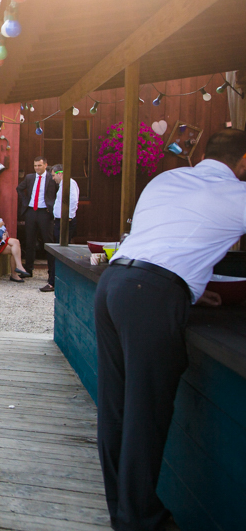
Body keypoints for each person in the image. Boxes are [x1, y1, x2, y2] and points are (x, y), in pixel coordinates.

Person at [94, 129, 246, 531]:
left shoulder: (166, 179)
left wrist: (193, 288)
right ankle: (141, 521)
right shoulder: (237, 195)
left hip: (114, 284)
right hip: (151, 295)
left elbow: (166, 239)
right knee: (145, 414)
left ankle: (124, 515)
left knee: (116, 411)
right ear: (243, 162)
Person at [16, 156, 57, 291]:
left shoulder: (52, 178)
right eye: (35, 166)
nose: (37, 168)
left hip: (45, 212)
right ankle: (29, 269)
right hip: (31, 211)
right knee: (30, 240)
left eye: (39, 165)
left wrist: (52, 205)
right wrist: (25, 201)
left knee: (48, 241)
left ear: (46, 165)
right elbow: (19, 188)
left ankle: (52, 273)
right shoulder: (29, 178)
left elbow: (60, 191)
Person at [46, 163, 80, 291]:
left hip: (65, 221)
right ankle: (55, 280)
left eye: (54, 175)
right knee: (58, 249)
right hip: (61, 220)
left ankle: (53, 282)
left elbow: (73, 201)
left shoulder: (69, 184)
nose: (53, 178)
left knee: (60, 251)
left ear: (60, 173)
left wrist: (68, 217)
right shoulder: (63, 185)